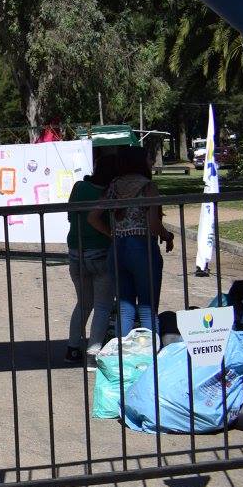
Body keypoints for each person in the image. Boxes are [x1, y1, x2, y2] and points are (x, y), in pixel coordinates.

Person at [90, 145, 174, 337]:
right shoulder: (148, 187)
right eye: (149, 158)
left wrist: (113, 234)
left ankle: (123, 351)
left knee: (124, 309)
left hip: (117, 249)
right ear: (140, 161)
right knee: (147, 308)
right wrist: (167, 236)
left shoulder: (114, 185)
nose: (152, 162)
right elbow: (153, 224)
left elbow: (92, 217)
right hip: (142, 248)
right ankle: (152, 350)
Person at [64, 147, 118, 363]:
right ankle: (93, 353)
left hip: (76, 251)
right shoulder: (110, 193)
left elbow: (70, 215)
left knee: (83, 302)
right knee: (103, 305)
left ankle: (72, 348)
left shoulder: (79, 187)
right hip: (100, 252)